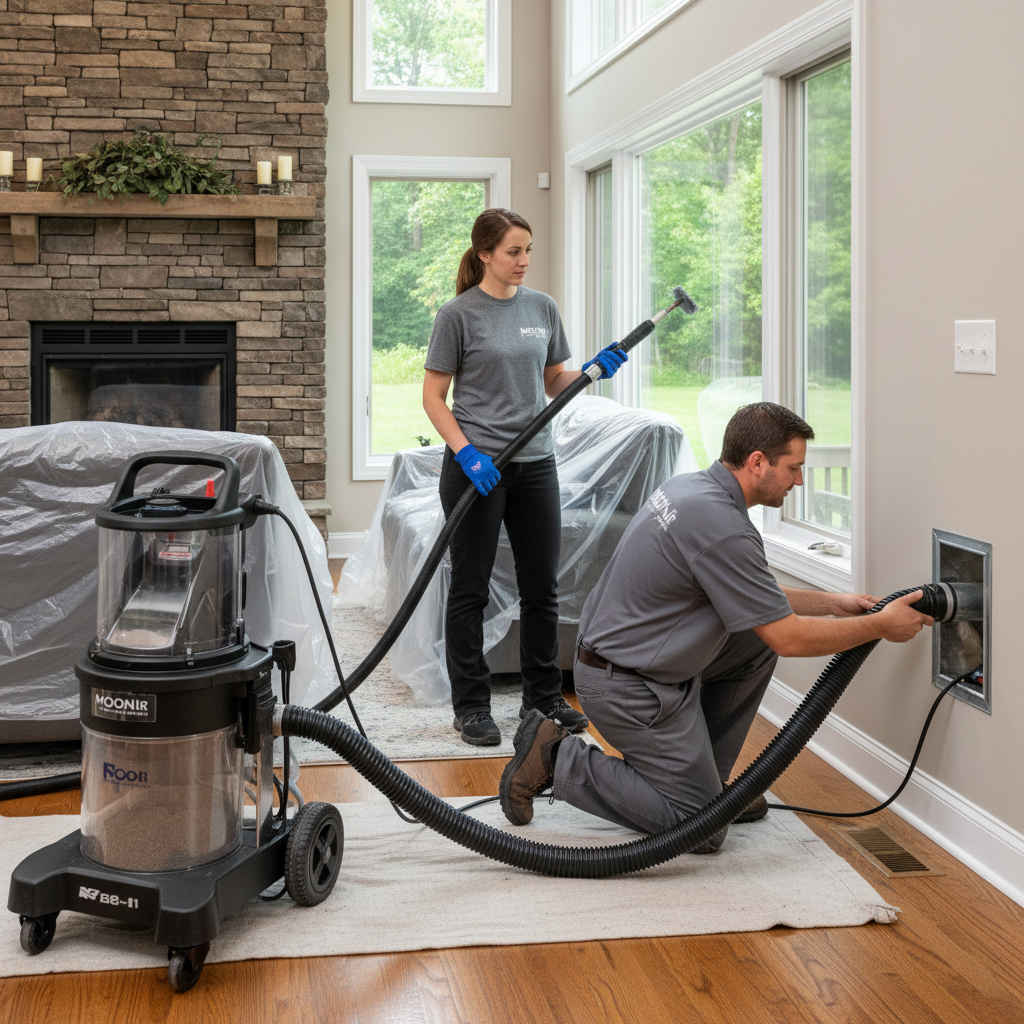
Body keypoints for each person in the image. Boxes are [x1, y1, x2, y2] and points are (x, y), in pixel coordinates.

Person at [498, 401, 934, 850]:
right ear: (757, 462)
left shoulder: (693, 490)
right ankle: (557, 756)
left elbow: (751, 594)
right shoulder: (723, 526)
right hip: (625, 686)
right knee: (700, 829)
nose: (799, 481)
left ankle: (708, 785)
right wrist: (881, 626)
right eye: (794, 468)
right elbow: (788, 638)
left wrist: (833, 604)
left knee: (753, 641)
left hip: (630, 659)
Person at [422, 207, 628, 746]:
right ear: (485, 254)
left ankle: (542, 698)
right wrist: (467, 454)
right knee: (470, 588)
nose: (524, 261)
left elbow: (553, 379)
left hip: (535, 462)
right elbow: (433, 397)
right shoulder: (457, 314)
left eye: (527, 250)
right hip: (476, 468)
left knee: (542, 588)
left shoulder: (542, 307)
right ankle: (471, 706)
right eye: (513, 251)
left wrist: (591, 371)